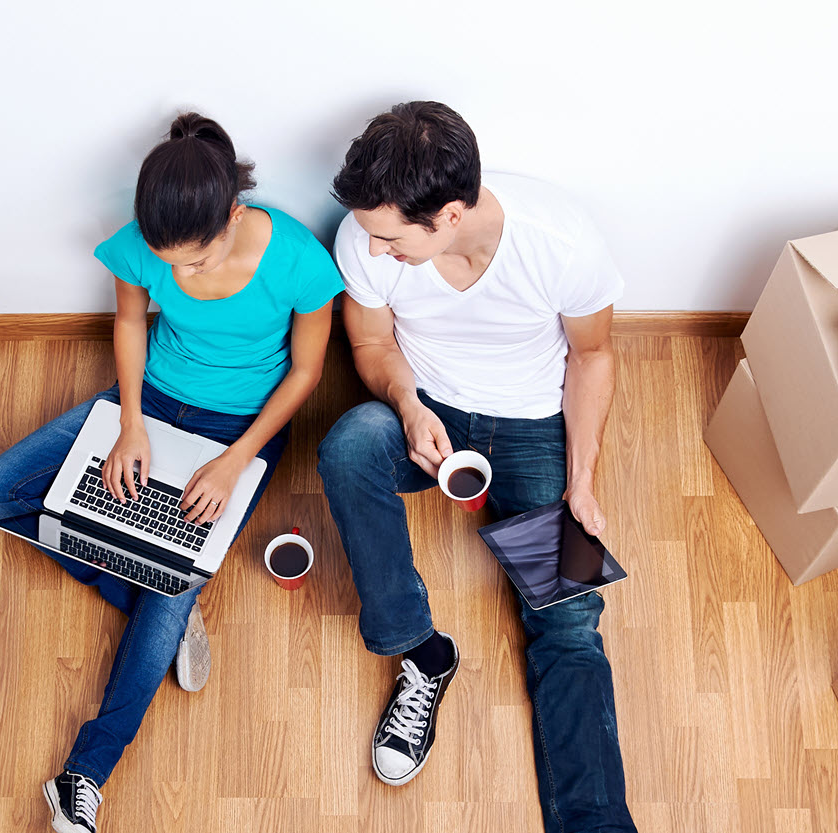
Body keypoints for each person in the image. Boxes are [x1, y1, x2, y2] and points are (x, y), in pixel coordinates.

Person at [0, 113, 343, 833]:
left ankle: (86, 772)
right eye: (169, 263)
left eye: (196, 262)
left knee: (171, 580)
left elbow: (306, 372)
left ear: (232, 215)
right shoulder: (141, 246)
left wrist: (236, 460)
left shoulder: (298, 260)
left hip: (240, 429)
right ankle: (157, 602)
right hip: (148, 401)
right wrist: (131, 423)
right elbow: (129, 323)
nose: (183, 275)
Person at [314, 101, 637, 832]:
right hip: (427, 409)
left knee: (571, 623)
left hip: (531, 425)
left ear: (451, 215)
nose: (374, 250)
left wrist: (582, 481)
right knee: (350, 445)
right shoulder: (365, 237)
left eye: (391, 238)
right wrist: (407, 405)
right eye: (371, 235)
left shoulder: (562, 243)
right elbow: (370, 345)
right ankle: (421, 653)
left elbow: (593, 356)